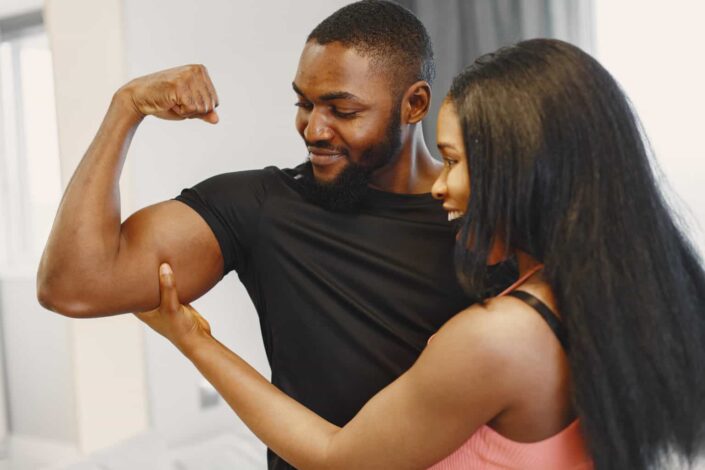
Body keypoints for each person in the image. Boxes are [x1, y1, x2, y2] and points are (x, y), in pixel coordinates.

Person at [137, 39, 705, 470]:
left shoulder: (498, 338)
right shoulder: (624, 294)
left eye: (453, 161)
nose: (439, 186)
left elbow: (337, 458)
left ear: (523, 169)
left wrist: (195, 341)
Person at [37, 2, 511, 468]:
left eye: (342, 111)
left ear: (415, 105)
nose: (313, 129)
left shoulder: (487, 226)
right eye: (304, 104)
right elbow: (75, 284)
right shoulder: (262, 206)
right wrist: (126, 106)